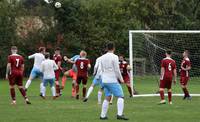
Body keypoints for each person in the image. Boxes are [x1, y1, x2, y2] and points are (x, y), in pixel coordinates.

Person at [99, 42, 128, 120]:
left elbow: (101, 69)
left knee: (107, 97)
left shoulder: (102, 57)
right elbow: (117, 70)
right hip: (112, 80)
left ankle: (103, 115)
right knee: (121, 96)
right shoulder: (115, 57)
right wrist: (121, 79)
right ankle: (120, 114)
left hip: (104, 80)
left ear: (107, 48)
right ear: (114, 48)